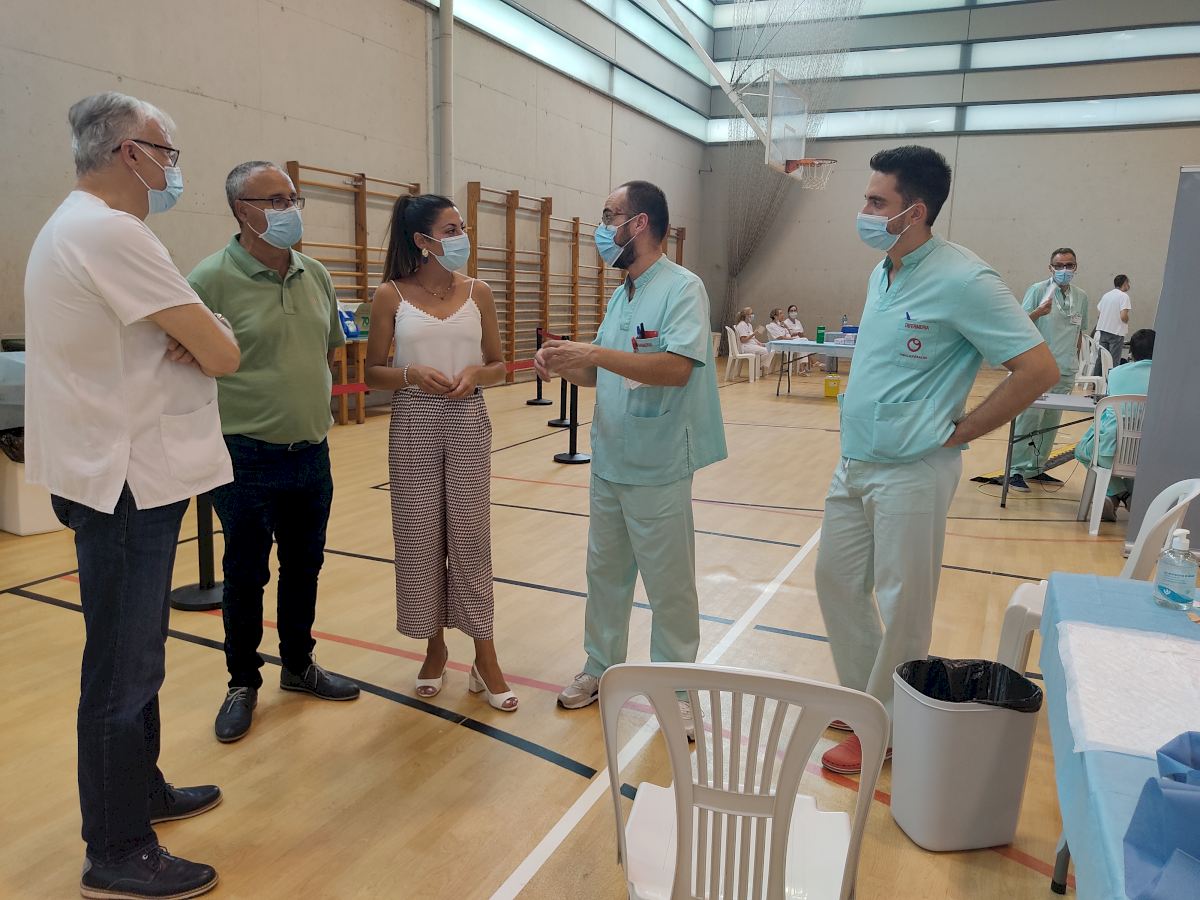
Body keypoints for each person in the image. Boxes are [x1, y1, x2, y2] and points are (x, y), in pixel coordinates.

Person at [24, 91, 241, 899]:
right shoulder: (111, 232)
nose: (172, 166)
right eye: (166, 150)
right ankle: (115, 848)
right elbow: (221, 350)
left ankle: (139, 789)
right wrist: (202, 334)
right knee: (121, 668)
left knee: (135, 654)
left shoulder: (77, 227)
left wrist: (193, 333)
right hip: (124, 480)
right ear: (130, 153)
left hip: (121, 473)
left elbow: (193, 338)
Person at [814, 145, 1057, 775]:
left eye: (877, 202)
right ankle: (868, 700)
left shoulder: (965, 279)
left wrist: (964, 430)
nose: (864, 212)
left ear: (914, 211)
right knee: (835, 582)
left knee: (904, 604)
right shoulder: (884, 272)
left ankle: (888, 728)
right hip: (855, 461)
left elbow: (1038, 369)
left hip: (913, 470)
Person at [535, 181, 727, 731]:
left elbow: (677, 367)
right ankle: (600, 666)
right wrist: (565, 362)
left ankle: (678, 687)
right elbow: (604, 371)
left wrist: (595, 353)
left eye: (609, 216)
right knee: (606, 574)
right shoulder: (624, 293)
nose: (603, 228)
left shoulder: (682, 288)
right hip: (611, 460)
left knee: (669, 585)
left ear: (638, 223)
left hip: (658, 462)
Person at [188, 161, 360, 744]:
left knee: (304, 565)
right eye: (275, 200)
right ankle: (242, 681)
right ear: (242, 211)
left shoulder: (316, 274)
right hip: (243, 455)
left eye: (293, 198)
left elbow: (326, 353)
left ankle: (298, 665)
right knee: (245, 572)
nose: (290, 210)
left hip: (311, 450)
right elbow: (186, 367)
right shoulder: (208, 280)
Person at [365, 194, 517, 712]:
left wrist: (476, 373)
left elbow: (499, 365)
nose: (461, 237)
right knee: (419, 536)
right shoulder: (390, 295)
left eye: (462, 228)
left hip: (467, 415)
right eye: (450, 230)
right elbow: (372, 372)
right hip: (414, 419)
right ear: (422, 241)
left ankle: (485, 654)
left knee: (470, 537)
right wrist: (410, 374)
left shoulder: (480, 292)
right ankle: (434, 646)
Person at [1007, 248, 1090, 492]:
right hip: (1039, 368)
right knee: (1029, 419)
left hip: (1065, 368)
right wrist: (1038, 312)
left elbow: (1079, 331)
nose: (1065, 270)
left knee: (1051, 422)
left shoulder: (1081, 297)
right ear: (1050, 267)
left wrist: (1075, 359)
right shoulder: (1037, 290)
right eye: (1059, 265)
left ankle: (1036, 467)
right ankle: (1015, 470)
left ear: (1076, 267)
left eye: (1069, 265)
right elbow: (1018, 324)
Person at [1075, 328, 1155, 519]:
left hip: (1111, 450)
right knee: (1133, 463)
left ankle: (1119, 494)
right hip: (1150, 453)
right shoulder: (1167, 378)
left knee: (1084, 451)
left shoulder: (1116, 373)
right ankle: (1128, 496)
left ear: (1131, 352)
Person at [1094, 274, 1132, 373]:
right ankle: (1111, 381)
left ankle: (1095, 379)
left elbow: (1099, 315)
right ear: (1125, 283)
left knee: (1101, 358)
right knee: (1114, 360)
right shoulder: (1124, 296)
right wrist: (1127, 320)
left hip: (1103, 330)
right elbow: (1123, 316)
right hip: (1116, 332)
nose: (1129, 285)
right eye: (1128, 283)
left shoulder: (1106, 295)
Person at [733, 306, 772, 376]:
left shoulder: (749, 325)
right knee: (768, 351)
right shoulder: (741, 325)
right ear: (746, 315)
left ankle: (759, 365)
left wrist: (760, 343)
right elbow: (743, 340)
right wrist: (754, 333)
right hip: (745, 346)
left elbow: (753, 338)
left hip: (752, 345)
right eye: (751, 313)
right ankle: (759, 366)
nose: (752, 315)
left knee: (771, 350)